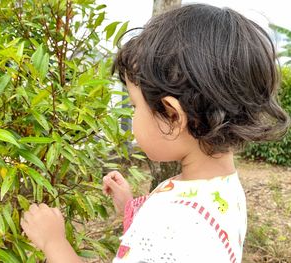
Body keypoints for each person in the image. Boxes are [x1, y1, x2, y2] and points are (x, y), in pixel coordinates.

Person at [20, 4, 290, 263]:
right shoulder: (222, 188)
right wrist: (131, 207)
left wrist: (54, 243)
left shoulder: (170, 222)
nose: (131, 115)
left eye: (135, 105)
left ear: (172, 116)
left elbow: (167, 236)